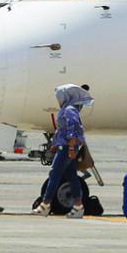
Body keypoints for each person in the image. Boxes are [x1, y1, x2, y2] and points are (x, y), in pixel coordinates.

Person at [32, 84, 93, 218]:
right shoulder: (68, 108)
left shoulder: (69, 109)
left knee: (54, 174)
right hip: (64, 146)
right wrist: (54, 144)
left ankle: (45, 205)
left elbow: (72, 129)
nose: (58, 99)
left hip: (66, 147)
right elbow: (62, 129)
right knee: (71, 176)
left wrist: (71, 147)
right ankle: (78, 207)